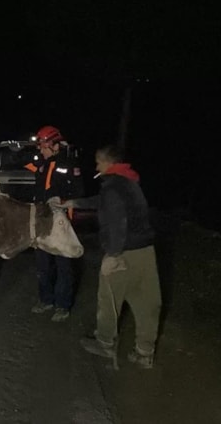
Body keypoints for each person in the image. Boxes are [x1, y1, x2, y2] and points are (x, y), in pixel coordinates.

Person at [78, 145, 161, 368]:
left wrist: (113, 255)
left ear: (108, 163)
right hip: (145, 251)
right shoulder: (129, 182)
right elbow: (102, 202)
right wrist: (73, 203)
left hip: (123, 253)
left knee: (109, 299)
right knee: (147, 302)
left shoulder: (112, 187)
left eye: (98, 161)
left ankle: (104, 342)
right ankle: (145, 352)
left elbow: (117, 223)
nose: (96, 166)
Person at [25, 125, 84, 322]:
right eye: (39, 146)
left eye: (43, 145)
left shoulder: (68, 163)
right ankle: (46, 299)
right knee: (42, 264)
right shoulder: (41, 164)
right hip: (42, 220)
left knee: (63, 265)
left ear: (55, 145)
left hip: (60, 221)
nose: (40, 149)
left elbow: (79, 192)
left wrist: (63, 200)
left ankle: (62, 305)